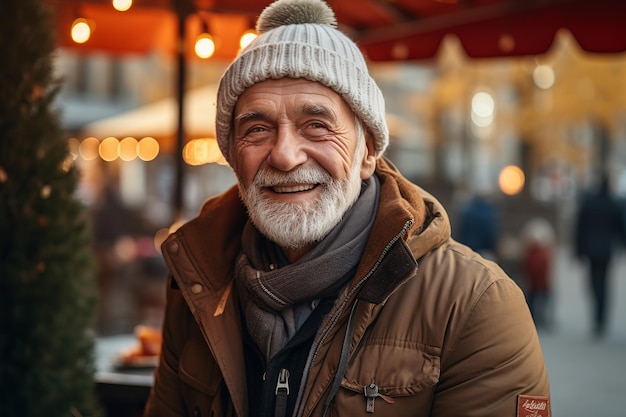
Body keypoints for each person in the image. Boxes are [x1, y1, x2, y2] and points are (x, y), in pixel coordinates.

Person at [144, 1, 551, 416]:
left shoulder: (474, 305)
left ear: (367, 152)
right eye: (258, 129)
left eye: (316, 125)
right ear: (233, 157)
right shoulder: (197, 283)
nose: (284, 156)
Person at [574, 173, 626, 337]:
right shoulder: (613, 203)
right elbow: (621, 227)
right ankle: (601, 316)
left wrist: (578, 250)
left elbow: (580, 228)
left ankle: (597, 315)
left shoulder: (589, 203)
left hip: (591, 250)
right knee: (605, 283)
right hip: (606, 250)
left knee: (593, 282)